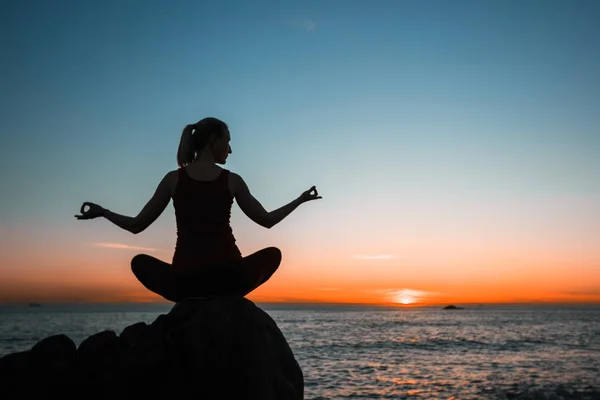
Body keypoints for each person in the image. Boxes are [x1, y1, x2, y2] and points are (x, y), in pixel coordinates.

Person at [75, 117, 321, 302]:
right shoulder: (232, 180)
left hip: (186, 280)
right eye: (228, 141)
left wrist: (104, 212)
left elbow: (137, 225)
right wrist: (299, 200)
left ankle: (192, 301)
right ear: (213, 140)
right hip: (229, 278)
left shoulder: (173, 179)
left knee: (139, 262)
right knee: (273, 255)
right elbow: (266, 220)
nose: (230, 149)